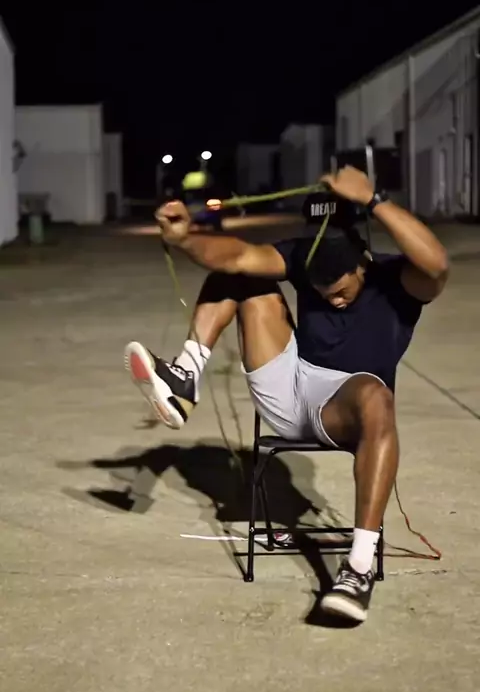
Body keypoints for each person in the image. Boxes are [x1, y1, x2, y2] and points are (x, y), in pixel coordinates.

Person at [124, 166, 449, 623]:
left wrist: (374, 199)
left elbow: (437, 265)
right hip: (287, 387)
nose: (332, 300)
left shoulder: (397, 280)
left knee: (375, 395)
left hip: (344, 408)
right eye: (321, 292)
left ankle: (356, 572)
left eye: (341, 292)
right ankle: (184, 378)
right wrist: (185, 238)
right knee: (239, 272)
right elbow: (235, 253)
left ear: (362, 263)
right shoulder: (302, 255)